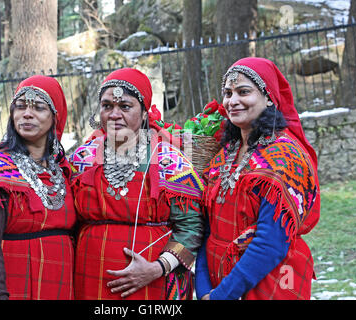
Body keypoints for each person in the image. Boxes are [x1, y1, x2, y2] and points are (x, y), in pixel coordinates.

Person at [69, 68, 204, 300]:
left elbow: (192, 228)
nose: (114, 114)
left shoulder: (169, 161)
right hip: (89, 282)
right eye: (107, 106)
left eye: (125, 107)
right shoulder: (82, 159)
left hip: (153, 284)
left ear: (143, 113)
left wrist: (158, 267)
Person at [195, 57, 320, 300]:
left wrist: (222, 295)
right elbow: (207, 229)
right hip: (217, 283)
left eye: (243, 92)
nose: (232, 101)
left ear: (270, 98)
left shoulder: (286, 157)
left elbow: (271, 243)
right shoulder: (224, 155)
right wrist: (203, 288)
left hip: (269, 283)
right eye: (228, 93)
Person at [0, 75, 76, 300]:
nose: (27, 114)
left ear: (56, 117)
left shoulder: (65, 172)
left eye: (38, 107)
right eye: (20, 106)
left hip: (60, 289)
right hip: (12, 292)